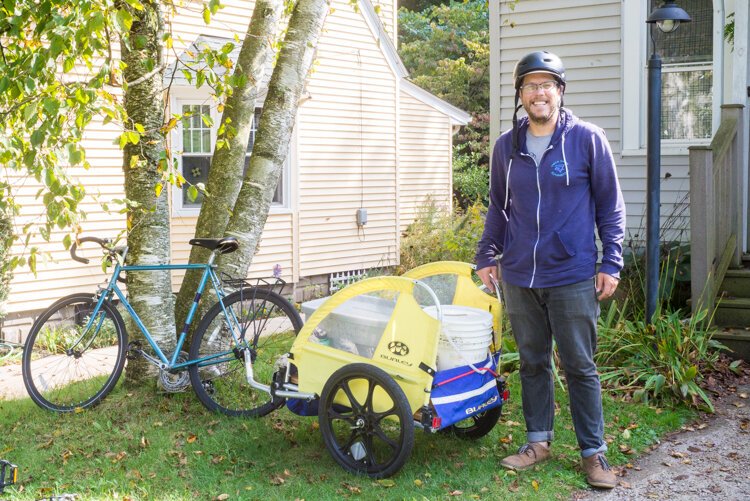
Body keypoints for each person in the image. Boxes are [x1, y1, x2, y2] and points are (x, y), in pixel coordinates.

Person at [475, 51, 625, 489]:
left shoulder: (587, 139)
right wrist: (488, 254)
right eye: (530, 85)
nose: (538, 93)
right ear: (520, 95)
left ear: (559, 91)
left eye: (547, 85)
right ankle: (538, 442)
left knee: (580, 365)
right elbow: (499, 208)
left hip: (572, 273)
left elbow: (610, 207)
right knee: (533, 362)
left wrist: (610, 261)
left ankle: (593, 453)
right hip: (520, 274)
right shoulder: (507, 146)